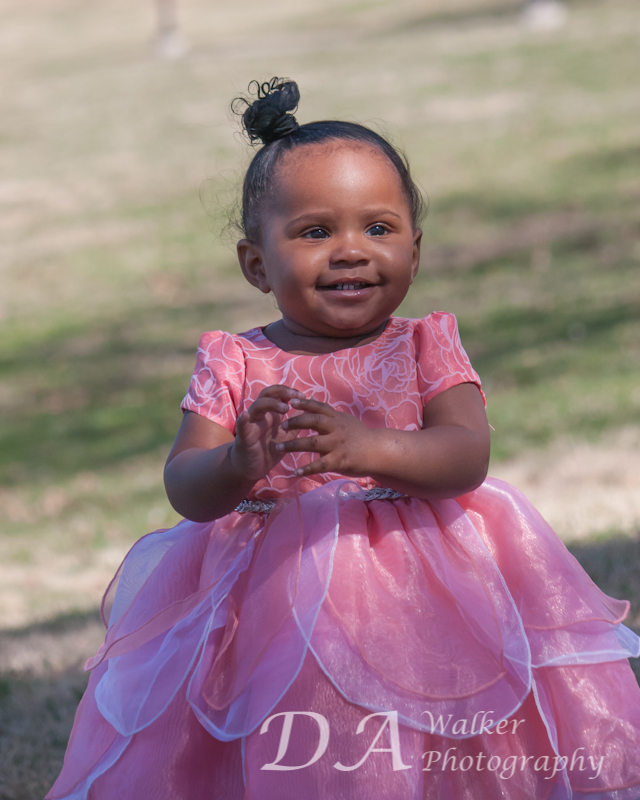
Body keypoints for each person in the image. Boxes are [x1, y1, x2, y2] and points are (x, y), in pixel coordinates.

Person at [47, 77, 640, 800]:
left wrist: (369, 448)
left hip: (430, 588)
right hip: (273, 594)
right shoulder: (233, 360)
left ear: (414, 252)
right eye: (316, 231)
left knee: (433, 721)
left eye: (379, 228)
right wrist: (238, 462)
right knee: (303, 733)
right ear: (256, 264)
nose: (351, 251)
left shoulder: (426, 344)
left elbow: (465, 455)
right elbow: (185, 486)